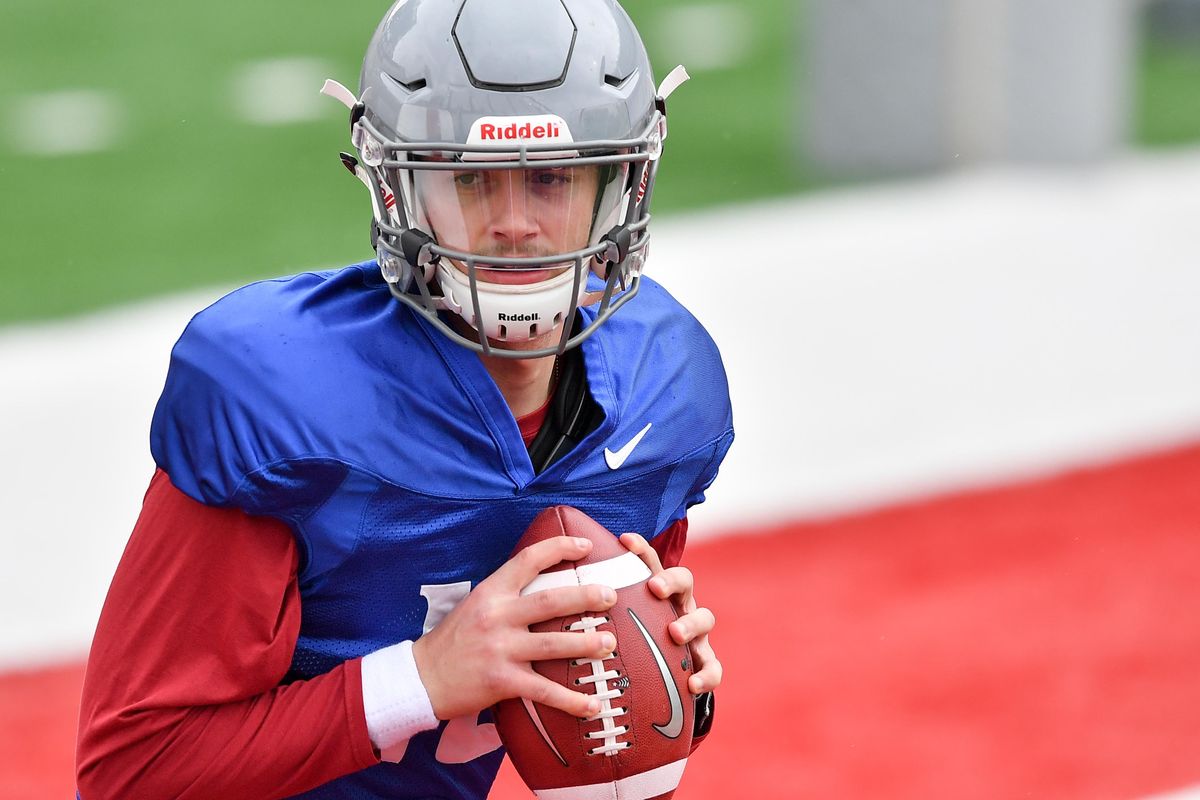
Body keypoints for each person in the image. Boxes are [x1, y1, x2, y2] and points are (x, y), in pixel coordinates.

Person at [74, 0, 734, 797]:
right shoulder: (286, 400)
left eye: (553, 177)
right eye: (470, 179)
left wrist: (672, 688)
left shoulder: (665, 398)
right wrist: (420, 679)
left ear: (620, 184)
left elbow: (603, 728)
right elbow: (131, 771)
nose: (515, 225)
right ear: (397, 192)